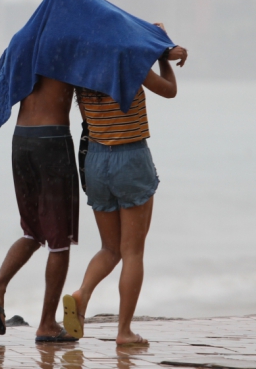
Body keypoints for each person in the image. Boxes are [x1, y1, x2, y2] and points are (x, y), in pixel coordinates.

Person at [62, 32, 188, 346]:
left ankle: (82, 294)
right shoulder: (131, 64)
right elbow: (170, 91)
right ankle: (124, 332)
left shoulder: (81, 73)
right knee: (133, 252)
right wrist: (161, 57)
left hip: (96, 161)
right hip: (130, 157)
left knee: (110, 248)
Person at [0, 76, 80, 343]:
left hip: (21, 139)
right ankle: (46, 324)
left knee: (32, 231)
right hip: (52, 139)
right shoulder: (67, 39)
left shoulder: (25, 39)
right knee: (59, 241)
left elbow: (5, 71)